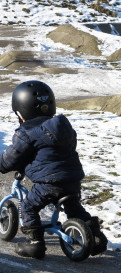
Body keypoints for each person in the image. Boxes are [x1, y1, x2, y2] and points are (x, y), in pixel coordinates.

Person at [0, 80, 108, 259]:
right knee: (74, 208)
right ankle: (96, 238)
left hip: (49, 183)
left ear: (21, 112)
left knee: (28, 206)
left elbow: (13, 157)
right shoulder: (63, 127)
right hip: (72, 179)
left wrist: (2, 165)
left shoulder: (26, 133)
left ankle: (35, 244)